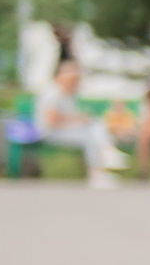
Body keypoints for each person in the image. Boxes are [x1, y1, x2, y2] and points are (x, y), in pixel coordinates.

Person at [35, 58, 123, 187]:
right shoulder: (52, 94)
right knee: (89, 135)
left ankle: (105, 159)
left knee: (94, 125)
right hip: (50, 133)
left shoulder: (67, 95)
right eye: (72, 79)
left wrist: (80, 120)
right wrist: (77, 119)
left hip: (62, 130)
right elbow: (51, 121)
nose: (75, 83)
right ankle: (101, 166)